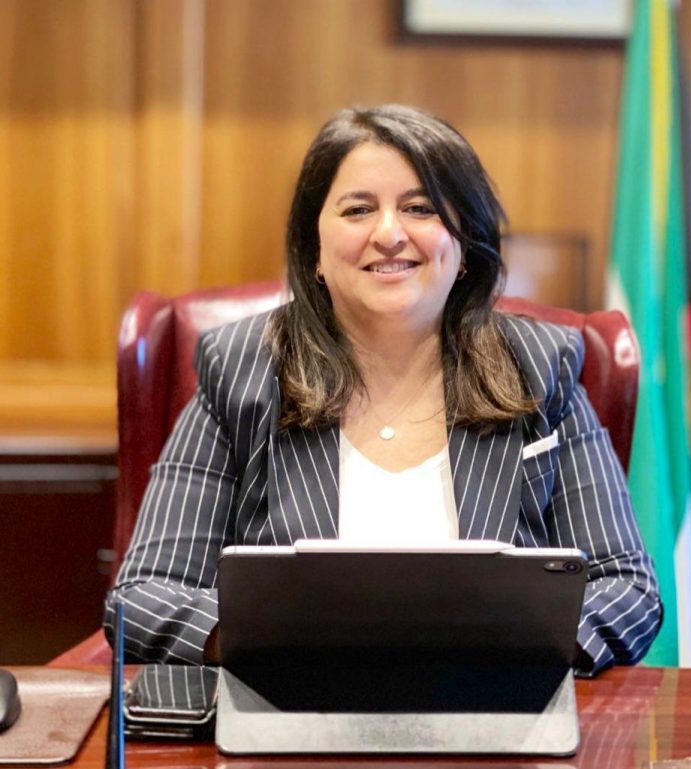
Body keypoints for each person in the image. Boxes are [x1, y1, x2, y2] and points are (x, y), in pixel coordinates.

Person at [104, 104, 661, 675]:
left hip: (496, 707)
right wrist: (285, 644)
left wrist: (489, 651)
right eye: (358, 209)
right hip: (289, 705)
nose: (390, 234)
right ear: (314, 249)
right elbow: (143, 597)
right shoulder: (242, 372)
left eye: (420, 208)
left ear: (464, 245)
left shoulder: (539, 368)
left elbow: (628, 590)